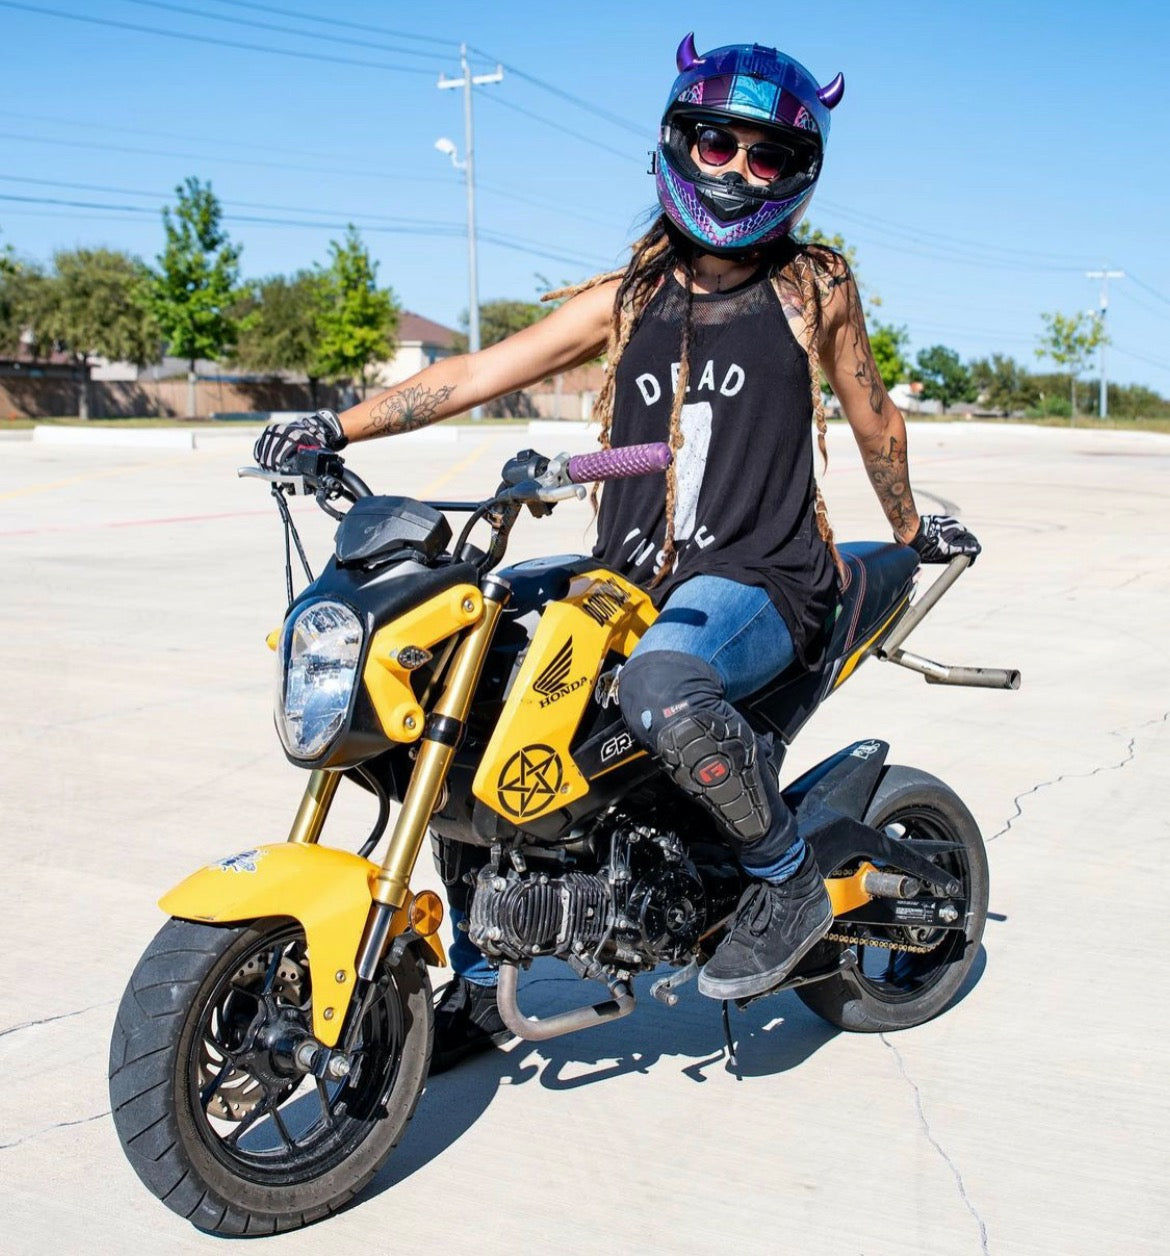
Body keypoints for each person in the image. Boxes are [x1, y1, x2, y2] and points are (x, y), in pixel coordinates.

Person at [255, 33, 981, 1070]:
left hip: (760, 579)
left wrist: (910, 528)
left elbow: (875, 421)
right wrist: (337, 426)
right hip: (631, 578)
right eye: (717, 143)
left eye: (766, 155)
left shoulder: (813, 285)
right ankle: (474, 981)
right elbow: (469, 374)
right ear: (679, 141)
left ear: (799, 173)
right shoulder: (630, 295)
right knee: (470, 689)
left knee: (662, 683)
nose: (737, 170)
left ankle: (783, 875)